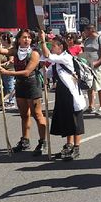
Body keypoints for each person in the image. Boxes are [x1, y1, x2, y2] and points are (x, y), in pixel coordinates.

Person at [0, 29, 47, 155]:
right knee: (24, 115)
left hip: (32, 84)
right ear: (18, 39)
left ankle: (42, 142)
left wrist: (7, 72)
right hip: (20, 84)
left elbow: (27, 72)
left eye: (29, 37)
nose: (26, 40)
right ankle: (25, 140)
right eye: (24, 37)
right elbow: (1, 50)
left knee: (37, 114)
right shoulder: (16, 51)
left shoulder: (34, 53)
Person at [39, 32, 87, 160]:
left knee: (75, 121)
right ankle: (68, 145)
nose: (52, 48)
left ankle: (76, 148)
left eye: (53, 46)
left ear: (61, 47)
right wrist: (43, 70)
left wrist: (42, 41)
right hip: (61, 93)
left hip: (71, 93)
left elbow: (48, 56)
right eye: (51, 46)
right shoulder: (56, 62)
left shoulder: (66, 57)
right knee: (66, 121)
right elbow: (48, 73)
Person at [82, 24, 101, 115]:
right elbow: (85, 52)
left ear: (90, 30)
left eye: (85, 30)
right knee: (89, 86)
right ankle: (91, 106)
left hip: (98, 65)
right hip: (88, 66)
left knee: (100, 86)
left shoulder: (100, 39)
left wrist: (98, 61)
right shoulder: (87, 40)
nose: (84, 32)